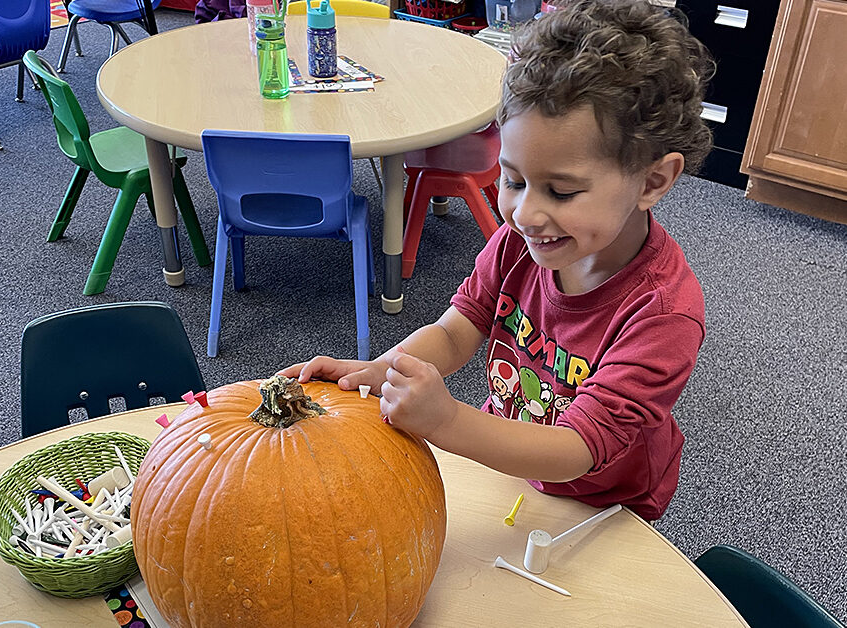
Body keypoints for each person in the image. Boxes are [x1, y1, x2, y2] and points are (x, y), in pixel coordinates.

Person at [280, 0, 714, 522]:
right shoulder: (522, 244)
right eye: (513, 180)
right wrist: (378, 374)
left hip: (600, 500)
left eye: (562, 190)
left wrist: (446, 423)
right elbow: (454, 331)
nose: (525, 213)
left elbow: (579, 449)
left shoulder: (663, 312)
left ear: (652, 181)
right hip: (503, 458)